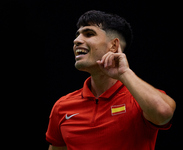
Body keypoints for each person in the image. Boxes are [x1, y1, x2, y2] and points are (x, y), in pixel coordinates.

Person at [46, 10, 176, 150]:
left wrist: (124, 72)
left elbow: (163, 113)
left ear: (113, 46)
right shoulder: (62, 107)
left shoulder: (139, 100)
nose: (76, 40)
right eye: (77, 35)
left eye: (89, 34)